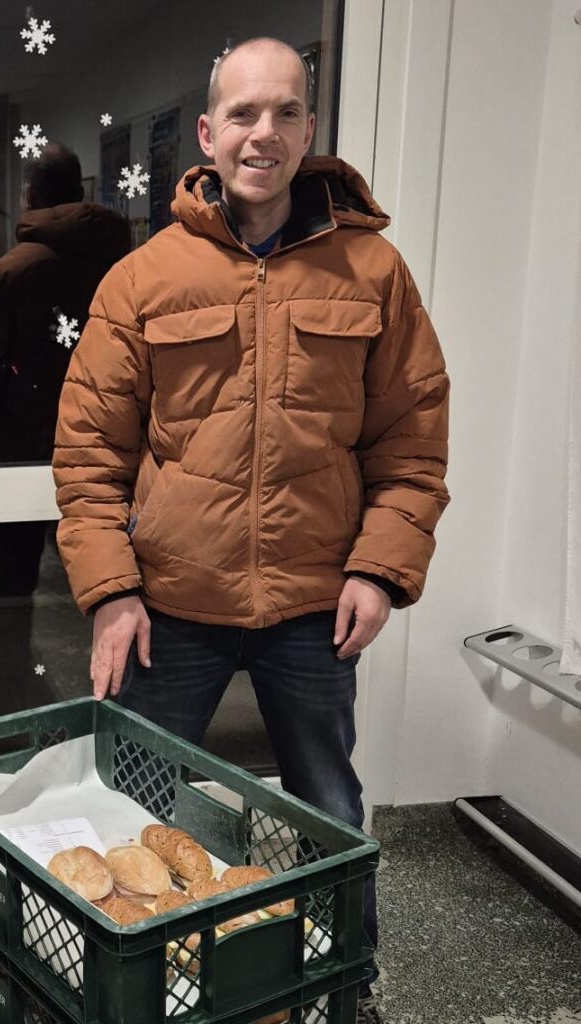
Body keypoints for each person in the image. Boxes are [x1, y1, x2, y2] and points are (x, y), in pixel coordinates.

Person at [53, 38, 450, 1023]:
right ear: (206, 133)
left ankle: (342, 989)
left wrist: (379, 570)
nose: (261, 133)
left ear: (308, 128)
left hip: (314, 606)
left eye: (283, 112)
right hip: (170, 607)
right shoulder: (142, 279)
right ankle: (128, 991)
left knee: (328, 814)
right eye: (241, 113)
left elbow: (411, 436)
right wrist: (110, 591)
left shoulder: (372, 272)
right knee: (130, 806)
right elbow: (89, 453)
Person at [0, 143, 130, 465]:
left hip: (25, 450)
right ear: (80, 193)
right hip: (108, 433)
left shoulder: (9, 274)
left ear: (29, 196)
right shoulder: (127, 265)